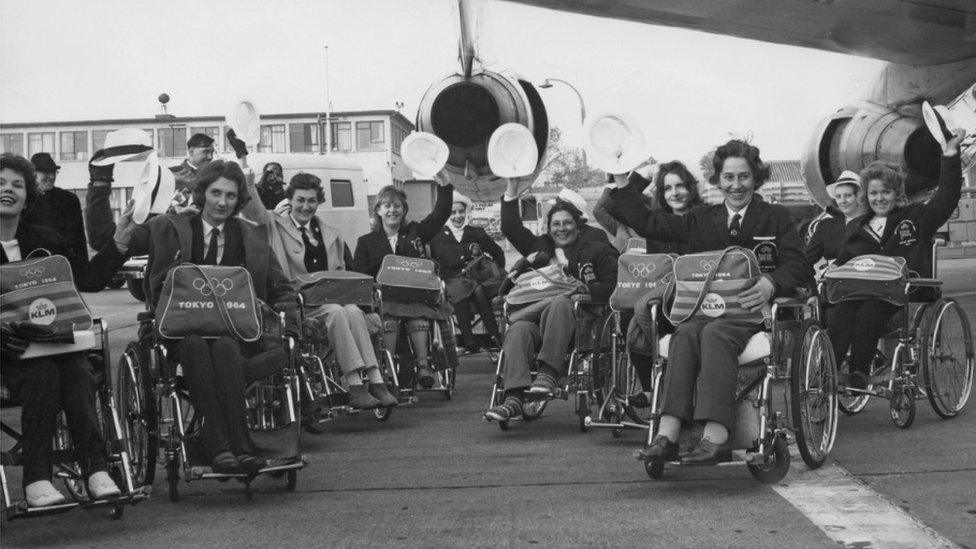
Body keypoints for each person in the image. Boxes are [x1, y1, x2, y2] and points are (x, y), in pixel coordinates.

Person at [609, 139, 809, 465]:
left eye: (743, 177)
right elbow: (648, 223)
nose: (736, 185)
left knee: (714, 334)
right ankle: (668, 435)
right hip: (706, 310)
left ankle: (715, 436)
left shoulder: (776, 217)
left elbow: (798, 264)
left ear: (755, 178)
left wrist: (771, 283)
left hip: (751, 311)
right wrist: (620, 179)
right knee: (685, 334)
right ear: (718, 180)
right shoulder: (702, 218)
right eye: (728, 178)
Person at [113, 158, 300, 474]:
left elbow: (279, 285)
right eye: (216, 193)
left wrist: (291, 321)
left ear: (238, 199)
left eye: (230, 195)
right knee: (197, 345)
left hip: (237, 333)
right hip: (180, 331)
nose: (222, 202)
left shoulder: (252, 237)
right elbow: (119, 245)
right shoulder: (170, 228)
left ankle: (225, 447)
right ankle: (230, 445)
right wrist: (120, 233)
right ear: (202, 194)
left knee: (224, 347)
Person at [1, 153, 134, 507]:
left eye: (17, 184)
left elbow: (89, 278)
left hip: (57, 343)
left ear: (28, 195)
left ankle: (95, 468)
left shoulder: (46, 239)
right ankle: (36, 479)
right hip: (7, 353)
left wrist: (120, 242)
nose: (8, 190)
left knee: (78, 371)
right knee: (41, 373)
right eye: (0, 183)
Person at [240, 167, 398, 410]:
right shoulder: (275, 225)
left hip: (330, 299)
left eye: (312, 201)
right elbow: (255, 211)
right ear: (289, 200)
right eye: (300, 200)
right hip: (298, 304)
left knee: (354, 311)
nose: (306, 206)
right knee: (335, 311)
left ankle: (376, 380)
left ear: (319, 202)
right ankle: (355, 385)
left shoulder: (330, 234)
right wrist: (249, 184)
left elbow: (341, 273)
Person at [828, 130, 965, 390]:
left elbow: (947, 196)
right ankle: (831, 373)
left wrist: (949, 155)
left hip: (906, 293)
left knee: (869, 310)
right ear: (866, 196)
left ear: (896, 192)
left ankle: (859, 372)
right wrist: (831, 269)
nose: (879, 198)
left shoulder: (916, 217)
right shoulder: (858, 227)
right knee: (842, 312)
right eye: (873, 193)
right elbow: (843, 261)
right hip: (865, 291)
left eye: (886, 192)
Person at [484, 179, 619, 422]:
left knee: (561, 301)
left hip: (579, 324)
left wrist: (586, 290)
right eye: (555, 224)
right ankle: (513, 397)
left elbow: (613, 284)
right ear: (549, 228)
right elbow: (511, 228)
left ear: (579, 226)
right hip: (537, 321)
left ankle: (548, 373)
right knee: (519, 328)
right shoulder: (540, 249)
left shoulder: (595, 248)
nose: (561, 228)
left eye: (567, 223)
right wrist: (511, 193)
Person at [352, 177, 458, 389]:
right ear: (379, 211)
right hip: (385, 299)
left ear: (404, 210)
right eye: (387, 205)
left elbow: (442, 212)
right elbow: (360, 275)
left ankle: (424, 366)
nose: (392, 210)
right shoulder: (366, 242)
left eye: (397, 206)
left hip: (417, 298)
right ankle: (387, 369)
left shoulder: (416, 233)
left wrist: (445, 183)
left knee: (418, 316)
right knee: (388, 318)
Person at [428, 192, 505, 354]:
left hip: (478, 281)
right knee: (466, 289)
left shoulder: (476, 232)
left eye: (461, 212)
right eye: (453, 212)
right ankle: (491, 336)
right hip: (449, 281)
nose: (458, 216)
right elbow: (431, 263)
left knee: (476, 287)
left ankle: (478, 339)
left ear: (466, 212)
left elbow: (498, 253)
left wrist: (494, 270)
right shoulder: (436, 236)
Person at [22, 152, 88, 259]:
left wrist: (84, 269)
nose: (52, 176)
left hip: (65, 262)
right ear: (32, 174)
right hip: (33, 264)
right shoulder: (23, 200)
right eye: (46, 172)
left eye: (53, 172)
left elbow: (79, 240)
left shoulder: (69, 199)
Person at [805, 170, 862, 270]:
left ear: (858, 196)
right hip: (834, 282)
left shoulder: (873, 223)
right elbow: (807, 259)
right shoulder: (825, 226)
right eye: (838, 197)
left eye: (848, 196)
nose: (843, 201)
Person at [170, 132, 216, 197]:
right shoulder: (173, 173)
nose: (210, 157)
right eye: (206, 152)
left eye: (212, 152)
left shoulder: (215, 174)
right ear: (191, 152)